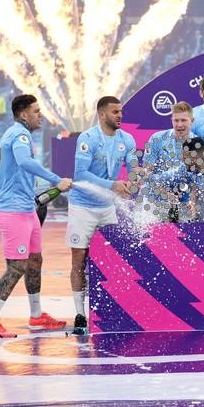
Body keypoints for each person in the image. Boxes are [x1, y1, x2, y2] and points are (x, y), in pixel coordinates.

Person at [0, 94, 72, 338]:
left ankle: (36, 315)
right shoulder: (20, 135)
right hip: (12, 211)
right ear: (23, 114)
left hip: (25, 209)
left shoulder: (17, 134)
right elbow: (24, 162)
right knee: (17, 266)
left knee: (34, 261)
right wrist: (56, 180)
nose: (40, 114)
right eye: (35, 111)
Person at [67, 96, 137, 335]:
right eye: (115, 112)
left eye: (121, 112)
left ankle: (109, 309)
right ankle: (79, 313)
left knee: (112, 259)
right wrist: (112, 185)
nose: (120, 115)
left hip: (107, 208)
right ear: (102, 114)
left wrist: (136, 179)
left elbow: (133, 165)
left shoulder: (126, 139)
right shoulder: (88, 139)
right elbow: (80, 174)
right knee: (79, 259)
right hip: (82, 207)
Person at [140, 101, 195, 222]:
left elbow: (197, 180)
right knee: (147, 238)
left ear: (192, 121)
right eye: (176, 120)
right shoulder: (157, 138)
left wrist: (192, 201)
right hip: (154, 199)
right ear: (172, 121)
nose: (179, 124)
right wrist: (165, 193)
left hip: (182, 204)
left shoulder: (197, 145)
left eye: (184, 120)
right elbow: (146, 173)